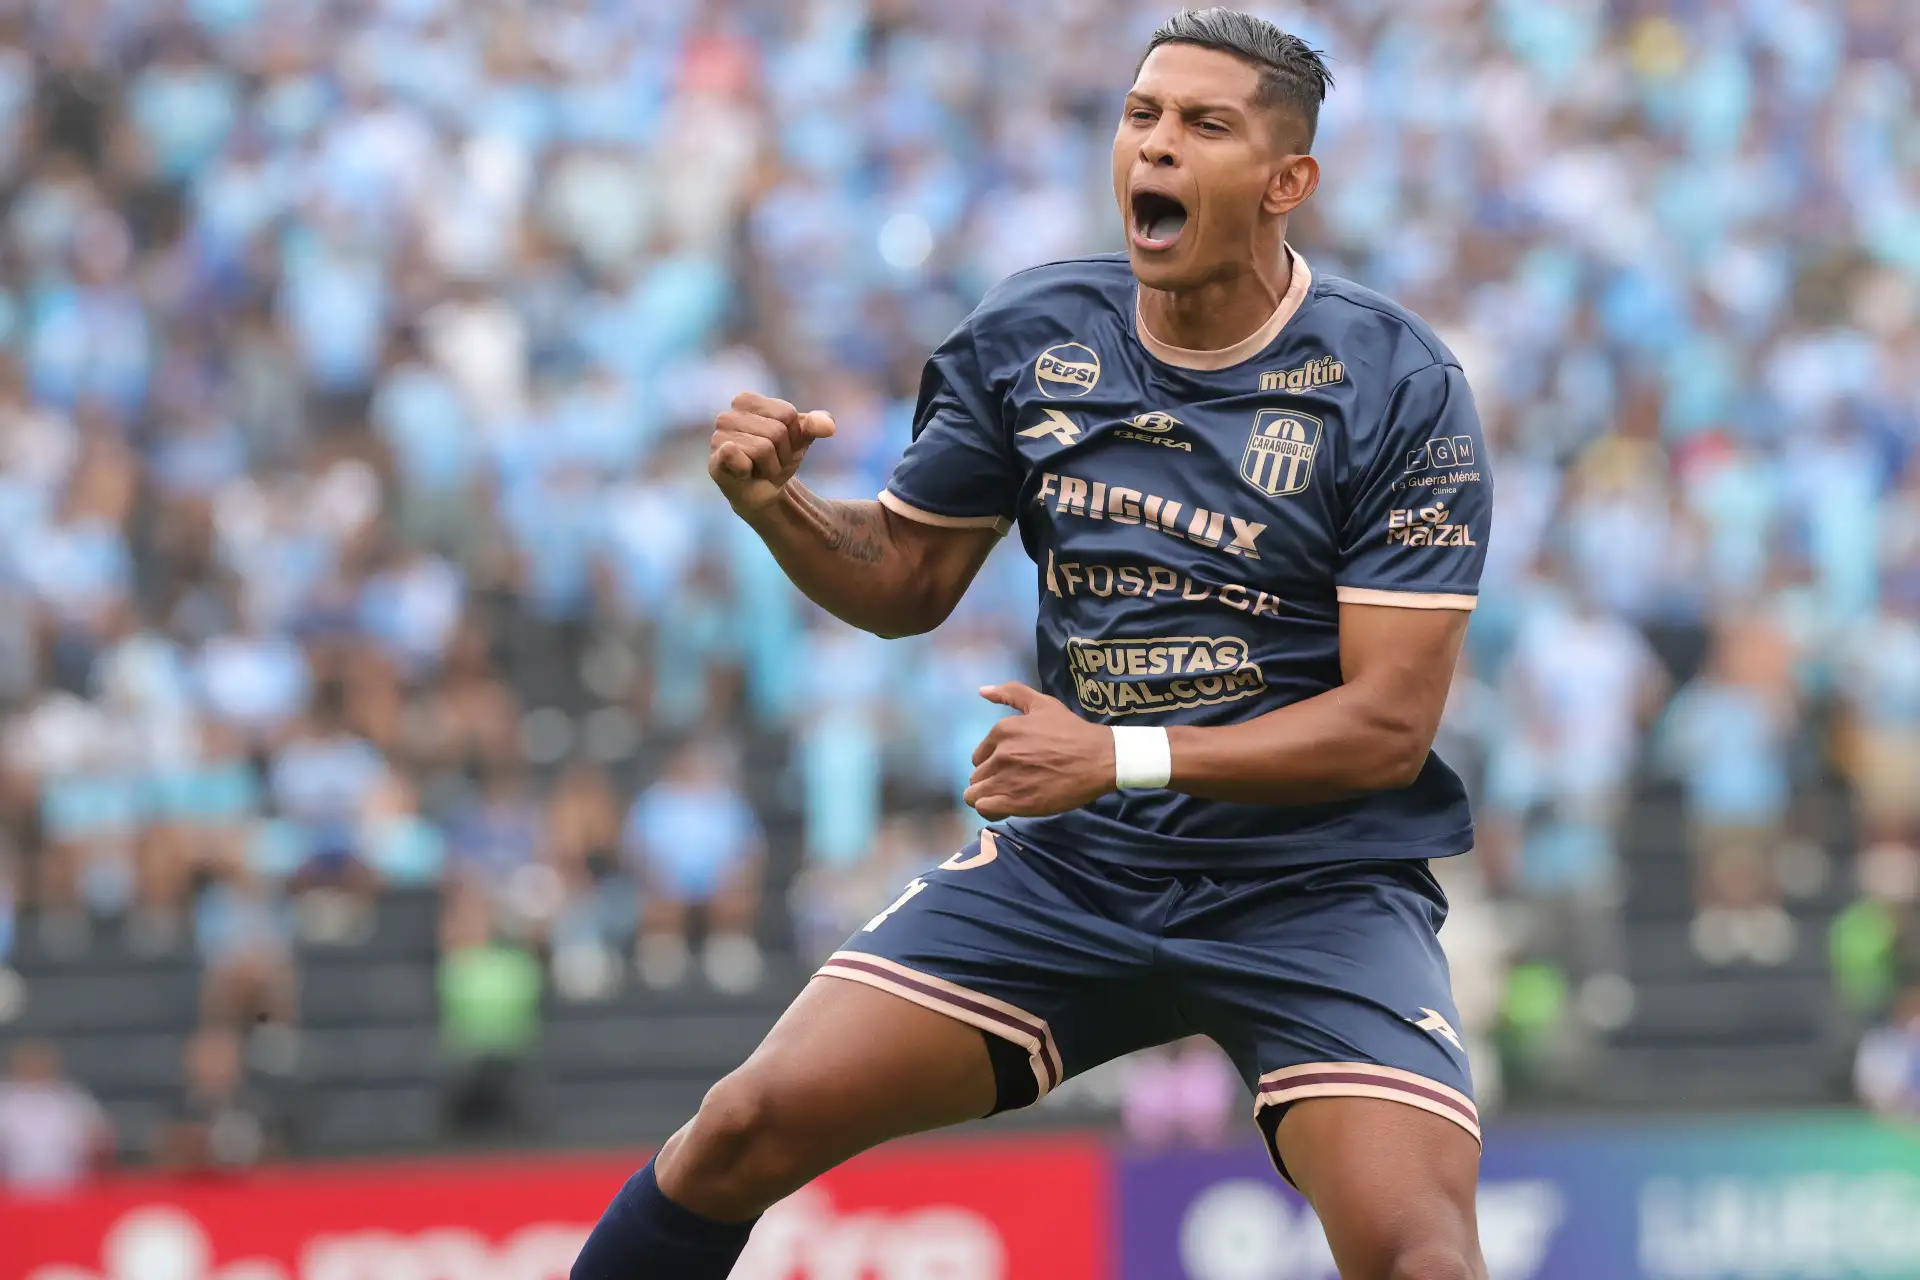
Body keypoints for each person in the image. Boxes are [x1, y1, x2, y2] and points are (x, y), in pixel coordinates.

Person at [574, 11, 1493, 1280]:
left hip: (1314, 887)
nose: (1156, 148)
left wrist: (1118, 756)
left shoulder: (1397, 383)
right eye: (1142, 116)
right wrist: (777, 506)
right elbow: (906, 578)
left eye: (1204, 126)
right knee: (737, 1129)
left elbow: (1391, 725)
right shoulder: (1030, 335)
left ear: (1290, 183)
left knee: (1420, 1254)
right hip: (1074, 875)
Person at [0, 1041, 114, 1195]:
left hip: (68, 1189)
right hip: (12, 1191)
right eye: (29, 1061)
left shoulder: (73, 1099)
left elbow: (101, 1141)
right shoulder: (4, 1100)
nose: (35, 1066)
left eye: (40, 1061)